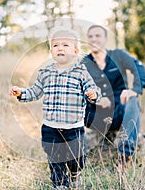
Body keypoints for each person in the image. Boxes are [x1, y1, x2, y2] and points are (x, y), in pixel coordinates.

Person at [9, 29, 101, 189]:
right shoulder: (45, 72)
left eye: (66, 45)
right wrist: (22, 92)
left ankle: (74, 173)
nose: (60, 48)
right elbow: (35, 92)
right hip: (50, 128)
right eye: (56, 45)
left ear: (75, 51)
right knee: (55, 159)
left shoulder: (81, 72)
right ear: (51, 51)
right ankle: (59, 184)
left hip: (74, 128)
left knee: (76, 160)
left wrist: (93, 95)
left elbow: (93, 89)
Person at [82, 25, 145, 172]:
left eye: (97, 36)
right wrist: (96, 99)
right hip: (95, 115)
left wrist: (135, 89)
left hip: (119, 111)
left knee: (133, 100)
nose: (94, 39)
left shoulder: (118, 55)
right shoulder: (84, 63)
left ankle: (124, 156)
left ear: (105, 39)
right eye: (90, 36)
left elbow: (139, 67)